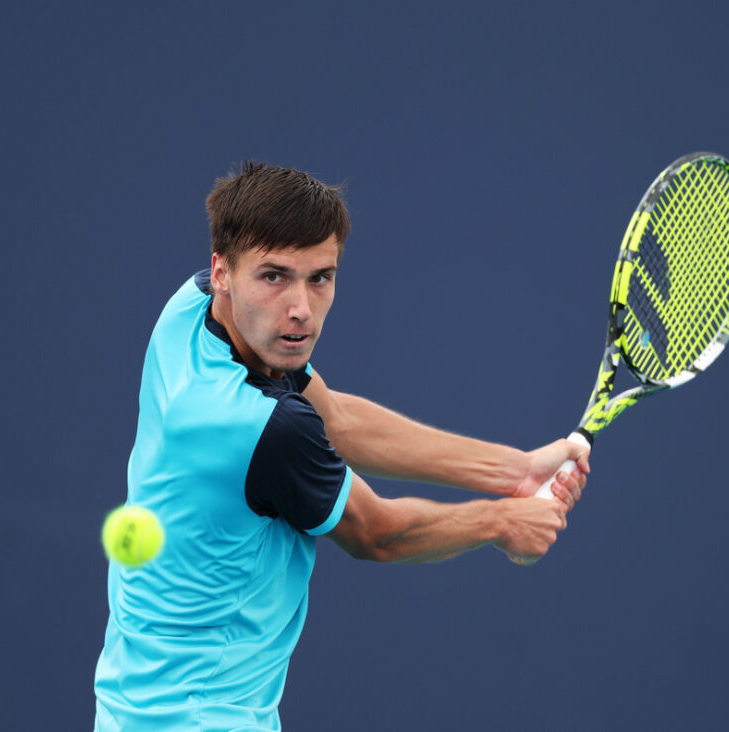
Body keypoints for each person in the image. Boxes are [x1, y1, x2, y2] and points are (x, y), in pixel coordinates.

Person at [93, 162, 590, 731]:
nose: (300, 308)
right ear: (223, 272)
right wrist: (503, 523)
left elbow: (341, 422)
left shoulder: (188, 311)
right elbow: (378, 534)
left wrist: (515, 471)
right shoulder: (262, 426)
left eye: (320, 278)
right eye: (274, 277)